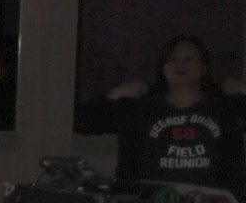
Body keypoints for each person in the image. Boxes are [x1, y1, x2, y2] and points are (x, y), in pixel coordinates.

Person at [76, 34, 246, 193]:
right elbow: (84, 122)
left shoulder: (225, 108)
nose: (180, 65)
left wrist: (242, 90)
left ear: (204, 67)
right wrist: (115, 94)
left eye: (189, 58)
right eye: (173, 59)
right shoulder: (140, 108)